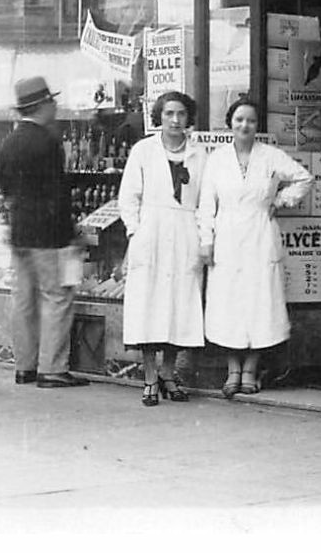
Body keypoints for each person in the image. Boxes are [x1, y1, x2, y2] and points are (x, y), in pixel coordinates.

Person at [198, 96, 312, 397]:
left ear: (257, 125)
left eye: (250, 120)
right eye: (239, 120)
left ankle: (250, 370)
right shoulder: (217, 160)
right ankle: (232, 370)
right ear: (230, 124)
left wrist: (280, 201)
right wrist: (206, 242)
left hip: (261, 235)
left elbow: (303, 178)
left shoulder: (271, 156)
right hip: (227, 238)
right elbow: (207, 204)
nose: (244, 125)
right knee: (229, 304)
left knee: (259, 303)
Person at [0, 76, 89, 390]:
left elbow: (6, 188)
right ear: (41, 106)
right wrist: (71, 234)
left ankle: (24, 367)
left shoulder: (9, 141)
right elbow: (58, 193)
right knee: (57, 297)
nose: (56, 106)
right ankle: (52, 369)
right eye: (52, 101)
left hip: (19, 233)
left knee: (23, 300)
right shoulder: (48, 141)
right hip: (49, 235)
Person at [117, 90, 208, 406]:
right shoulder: (143, 151)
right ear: (159, 117)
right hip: (150, 232)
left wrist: (203, 237)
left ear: (188, 119)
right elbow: (128, 197)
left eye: (181, 114)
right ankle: (149, 378)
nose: (174, 120)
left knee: (178, 306)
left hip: (185, 233)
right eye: (168, 113)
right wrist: (135, 232)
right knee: (149, 305)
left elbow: (205, 201)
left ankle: (169, 374)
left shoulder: (200, 155)